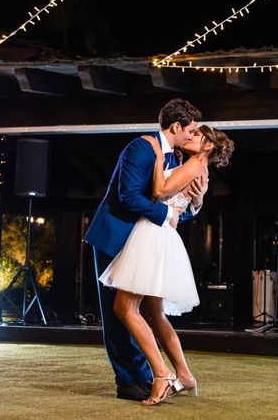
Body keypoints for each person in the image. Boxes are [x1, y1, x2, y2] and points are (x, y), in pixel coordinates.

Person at [99, 124, 234, 405]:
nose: (191, 137)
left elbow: (160, 191)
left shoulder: (195, 164)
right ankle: (183, 375)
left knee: (124, 307)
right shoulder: (196, 166)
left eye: (197, 135)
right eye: (192, 132)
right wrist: (194, 201)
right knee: (154, 312)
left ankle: (161, 374)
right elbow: (179, 201)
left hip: (152, 237)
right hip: (157, 235)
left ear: (208, 146)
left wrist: (159, 159)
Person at [84, 98, 205, 402]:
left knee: (144, 311)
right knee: (118, 317)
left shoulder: (177, 158)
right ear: (175, 127)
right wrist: (167, 216)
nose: (192, 135)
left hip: (145, 243)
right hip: (116, 237)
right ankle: (128, 382)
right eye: (190, 130)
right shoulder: (140, 148)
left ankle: (153, 376)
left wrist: (195, 204)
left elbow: (176, 209)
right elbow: (129, 197)